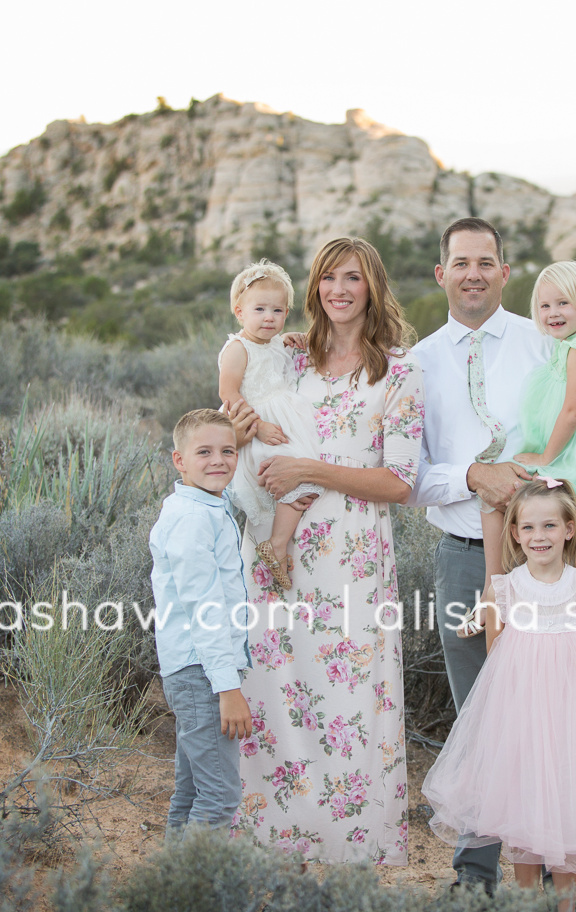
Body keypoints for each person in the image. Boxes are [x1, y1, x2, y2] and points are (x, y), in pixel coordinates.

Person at [232, 236, 424, 866]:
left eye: (353, 278)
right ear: (313, 289)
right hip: (277, 549)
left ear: (374, 285)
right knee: (275, 687)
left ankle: (346, 853)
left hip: (352, 555)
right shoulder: (290, 359)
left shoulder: (399, 370)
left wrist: (309, 468)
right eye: (327, 279)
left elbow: (399, 483)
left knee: (348, 701)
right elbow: (246, 405)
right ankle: (273, 845)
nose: (339, 290)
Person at [422, 478, 576, 912]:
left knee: (568, 800)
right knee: (523, 804)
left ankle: (567, 902)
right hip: (520, 715)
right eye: (529, 528)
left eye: (550, 526)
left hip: (572, 715)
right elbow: (496, 657)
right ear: (514, 534)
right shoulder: (504, 588)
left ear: (571, 528)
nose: (539, 536)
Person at [408, 217, 557, 892]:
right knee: (479, 715)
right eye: (460, 262)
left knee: (549, 710)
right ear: (441, 274)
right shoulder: (417, 363)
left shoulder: (545, 342)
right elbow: (408, 474)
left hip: (547, 561)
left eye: (486, 262)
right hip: (464, 556)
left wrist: (549, 489)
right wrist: (472, 476)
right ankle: (475, 875)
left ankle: (555, 864)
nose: (473, 273)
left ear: (505, 271)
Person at [474, 259, 576, 629]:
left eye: (564, 303)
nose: (553, 313)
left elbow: (572, 411)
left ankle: (491, 592)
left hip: (572, 449)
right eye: (545, 306)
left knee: (490, 497)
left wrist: (546, 455)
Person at [149, 409, 253, 834]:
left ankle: (173, 888)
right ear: (179, 461)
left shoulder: (205, 505)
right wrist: (227, 688)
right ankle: (198, 890)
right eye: (204, 452)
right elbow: (204, 610)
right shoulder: (193, 519)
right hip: (203, 674)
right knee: (220, 796)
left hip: (195, 669)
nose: (218, 461)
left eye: (227, 451)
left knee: (191, 791)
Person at [219, 259, 323, 589]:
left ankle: (280, 544)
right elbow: (229, 393)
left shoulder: (275, 341)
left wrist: (287, 336)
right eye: (259, 309)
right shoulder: (238, 348)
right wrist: (259, 426)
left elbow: (277, 350)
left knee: (305, 479)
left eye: (277, 311)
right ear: (239, 312)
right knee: (294, 481)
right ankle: (276, 546)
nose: (268, 318)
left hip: (287, 418)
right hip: (257, 426)